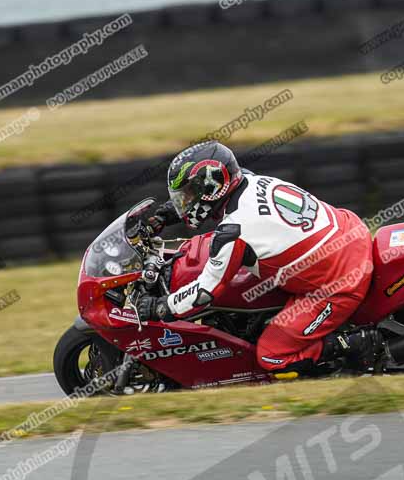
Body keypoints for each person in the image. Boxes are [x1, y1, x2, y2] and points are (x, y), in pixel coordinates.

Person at [136, 141, 378, 375]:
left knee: (271, 355)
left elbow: (204, 292)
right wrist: (168, 214)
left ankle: (354, 344)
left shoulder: (234, 230)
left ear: (211, 188)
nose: (184, 202)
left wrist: (161, 307)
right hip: (348, 229)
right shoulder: (249, 180)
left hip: (341, 279)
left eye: (188, 195)